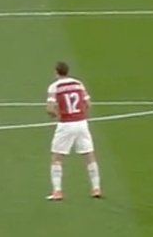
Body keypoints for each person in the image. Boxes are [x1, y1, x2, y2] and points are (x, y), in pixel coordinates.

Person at [46, 61, 102, 201]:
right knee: (89, 155)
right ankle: (96, 188)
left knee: (57, 157)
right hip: (82, 123)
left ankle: (57, 191)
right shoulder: (78, 83)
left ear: (56, 72)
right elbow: (88, 104)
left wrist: (55, 114)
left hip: (65, 124)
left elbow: (50, 109)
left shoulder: (54, 86)